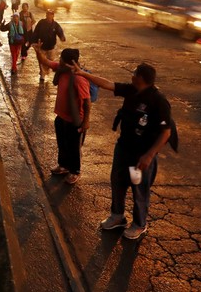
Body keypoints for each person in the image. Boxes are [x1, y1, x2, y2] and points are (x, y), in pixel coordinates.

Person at [71, 62, 172, 240]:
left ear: (140, 78)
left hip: (139, 156)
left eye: (134, 73)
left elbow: (166, 131)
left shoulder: (158, 100)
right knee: (118, 182)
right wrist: (83, 74)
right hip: (124, 149)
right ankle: (117, 216)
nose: (131, 75)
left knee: (138, 188)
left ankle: (139, 224)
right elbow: (108, 84)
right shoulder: (131, 89)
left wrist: (149, 155)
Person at [33, 46, 91, 184]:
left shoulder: (79, 78)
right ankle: (63, 166)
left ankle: (75, 171)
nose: (58, 59)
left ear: (65, 61)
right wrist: (38, 51)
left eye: (61, 58)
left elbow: (87, 101)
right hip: (61, 116)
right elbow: (45, 61)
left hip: (74, 120)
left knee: (73, 147)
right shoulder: (61, 69)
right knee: (62, 143)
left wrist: (86, 121)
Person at [32, 9, 65, 83]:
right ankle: (42, 75)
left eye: (50, 15)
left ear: (53, 16)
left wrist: (62, 37)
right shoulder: (41, 23)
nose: (49, 16)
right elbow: (36, 32)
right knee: (42, 61)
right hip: (42, 46)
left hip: (51, 47)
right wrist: (34, 41)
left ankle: (45, 71)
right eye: (47, 14)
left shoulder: (55, 25)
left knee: (50, 60)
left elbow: (60, 31)